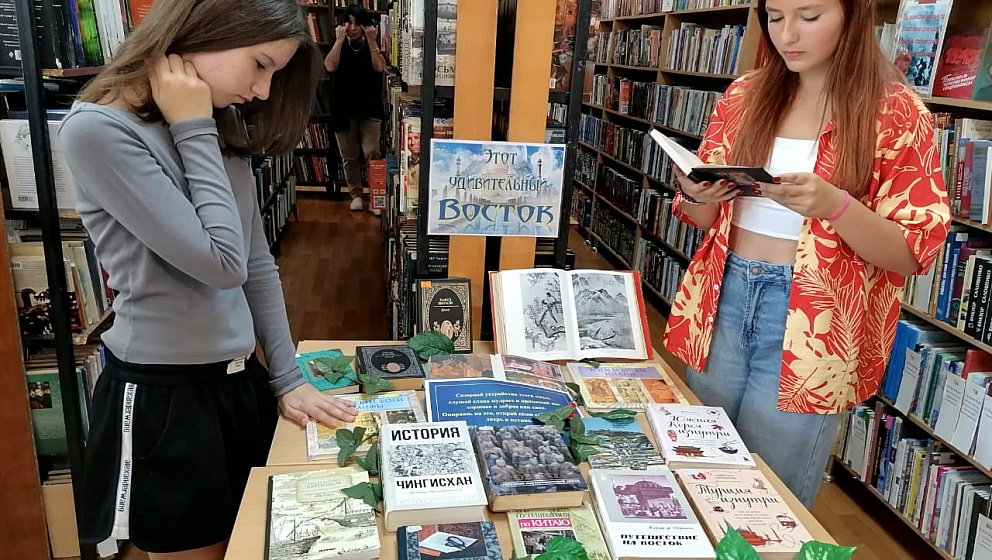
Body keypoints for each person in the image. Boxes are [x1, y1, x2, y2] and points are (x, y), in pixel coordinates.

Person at [57, 1, 358, 558]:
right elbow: (222, 265)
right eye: (260, 64)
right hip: (165, 398)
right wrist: (192, 127)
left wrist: (287, 377)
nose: (262, 90)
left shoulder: (216, 118)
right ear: (207, 31)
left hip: (238, 381)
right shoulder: (98, 130)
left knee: (264, 546)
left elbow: (256, 261)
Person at [662, 0, 951, 509]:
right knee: (698, 466)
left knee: (772, 498)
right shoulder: (745, 95)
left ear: (852, 16)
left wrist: (835, 206)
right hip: (723, 294)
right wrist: (696, 193)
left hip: (815, 317)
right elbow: (705, 220)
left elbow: (912, 250)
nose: (787, 35)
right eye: (775, 17)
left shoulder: (897, 113)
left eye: (809, 17)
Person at [324, 4, 385, 212]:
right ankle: (356, 195)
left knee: (373, 153)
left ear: (365, 25)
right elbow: (329, 66)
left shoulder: (371, 43)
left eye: (357, 23)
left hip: (370, 108)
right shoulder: (340, 43)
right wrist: (339, 40)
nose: (352, 28)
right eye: (348, 23)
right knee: (349, 156)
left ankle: (376, 198)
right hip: (343, 109)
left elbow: (380, 67)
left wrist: (372, 41)